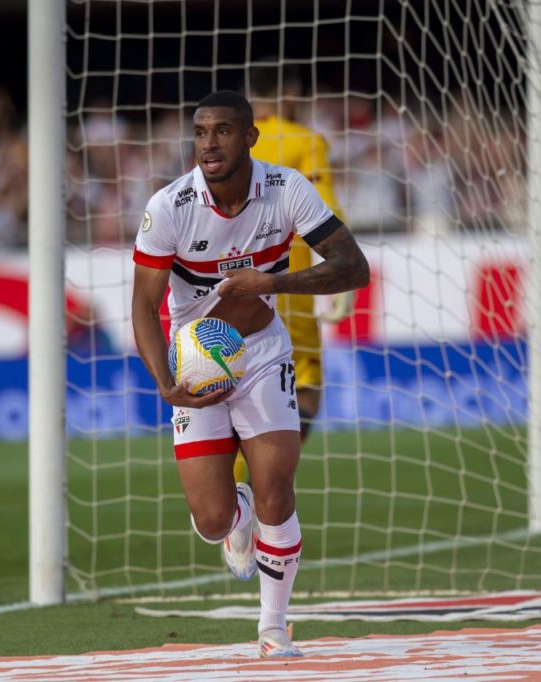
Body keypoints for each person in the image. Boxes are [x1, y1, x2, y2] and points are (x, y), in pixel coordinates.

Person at [131, 90, 369, 658]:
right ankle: (232, 512)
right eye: (201, 132)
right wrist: (165, 382)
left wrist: (273, 283)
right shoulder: (169, 206)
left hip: (262, 352)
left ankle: (274, 628)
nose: (209, 144)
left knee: (277, 493)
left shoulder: (286, 190)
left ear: (250, 137)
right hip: (197, 359)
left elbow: (352, 267)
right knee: (213, 521)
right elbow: (143, 305)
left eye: (223, 131)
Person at [230, 62, 355, 485]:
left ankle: (232, 499)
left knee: (231, 389)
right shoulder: (305, 141)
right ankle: (260, 486)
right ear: (290, 95)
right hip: (287, 288)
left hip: (225, 288)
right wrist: (341, 274)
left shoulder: (228, 144)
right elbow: (326, 214)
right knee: (306, 387)